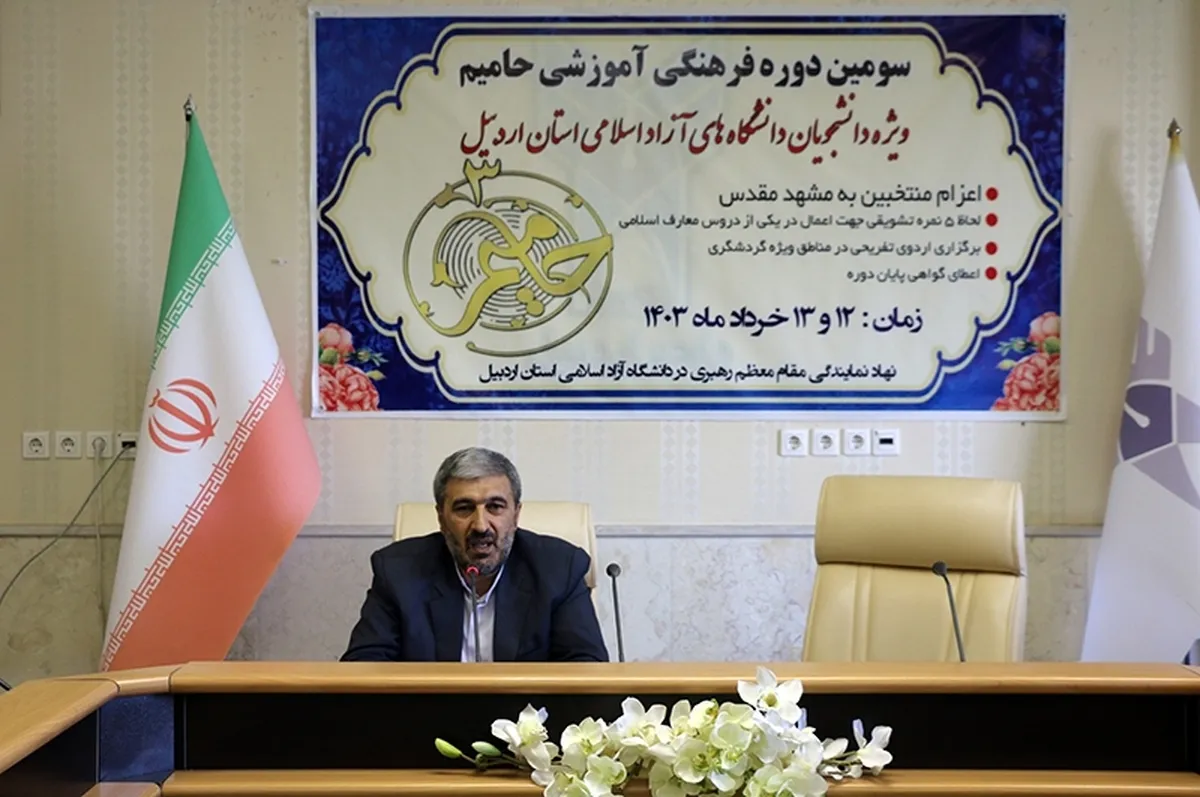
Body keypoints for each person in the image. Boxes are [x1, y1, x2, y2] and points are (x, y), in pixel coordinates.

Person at [341, 447, 610, 662]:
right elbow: (364, 667)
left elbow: (585, 669)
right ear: (441, 517)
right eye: (464, 508)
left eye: (495, 507)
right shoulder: (397, 572)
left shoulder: (559, 569)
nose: (481, 525)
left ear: (516, 515)